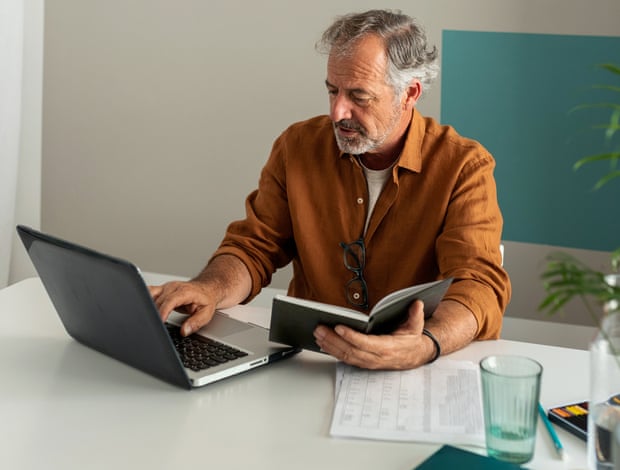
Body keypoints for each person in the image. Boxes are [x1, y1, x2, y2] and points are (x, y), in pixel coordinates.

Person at [149, 9, 511, 370]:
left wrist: (425, 345)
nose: (338, 111)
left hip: (411, 370)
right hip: (307, 361)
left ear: (409, 93)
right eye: (332, 90)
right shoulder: (297, 146)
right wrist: (209, 289)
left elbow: (477, 284)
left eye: (359, 95)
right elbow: (254, 247)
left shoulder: (464, 166)